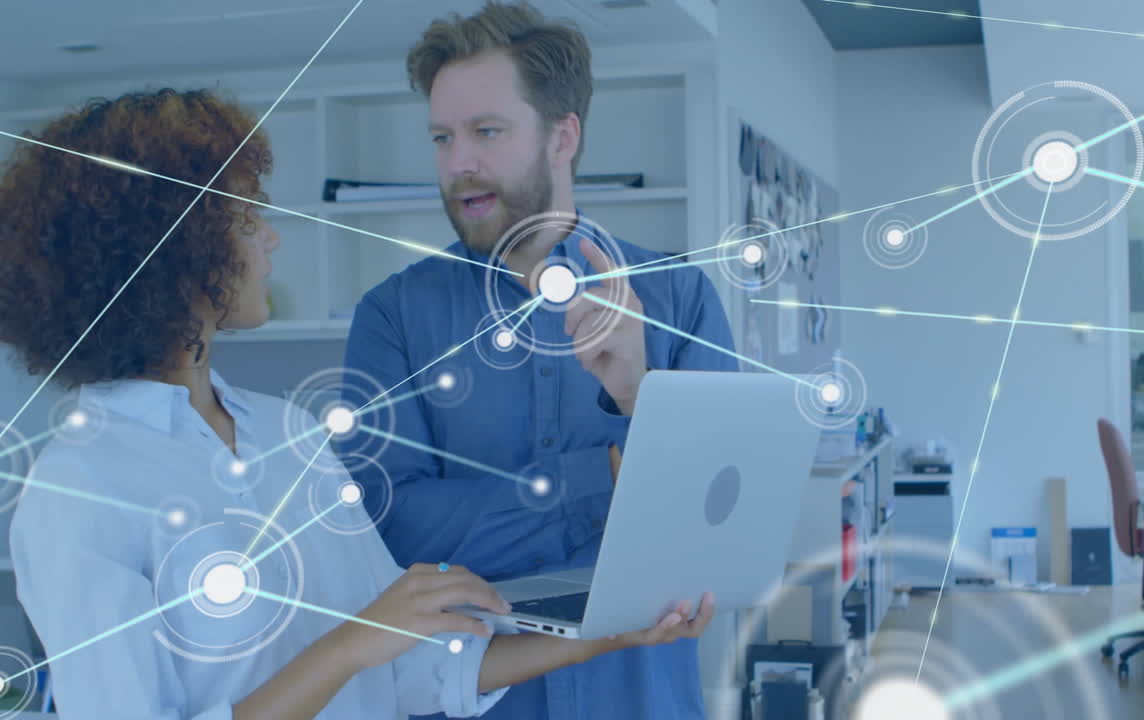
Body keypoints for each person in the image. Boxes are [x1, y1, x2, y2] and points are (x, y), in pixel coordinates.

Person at [0, 88, 712, 719]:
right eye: (248, 217)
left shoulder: (289, 433)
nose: (271, 237)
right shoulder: (80, 490)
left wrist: (613, 633)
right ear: (174, 250)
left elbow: (413, 667)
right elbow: (367, 641)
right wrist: (350, 645)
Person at [339, 3, 738, 718]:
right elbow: (388, 525)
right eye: (442, 137)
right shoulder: (392, 317)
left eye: (486, 132)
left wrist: (638, 399)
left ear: (563, 136)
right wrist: (604, 480)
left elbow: (719, 533)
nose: (458, 161)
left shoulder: (679, 297)